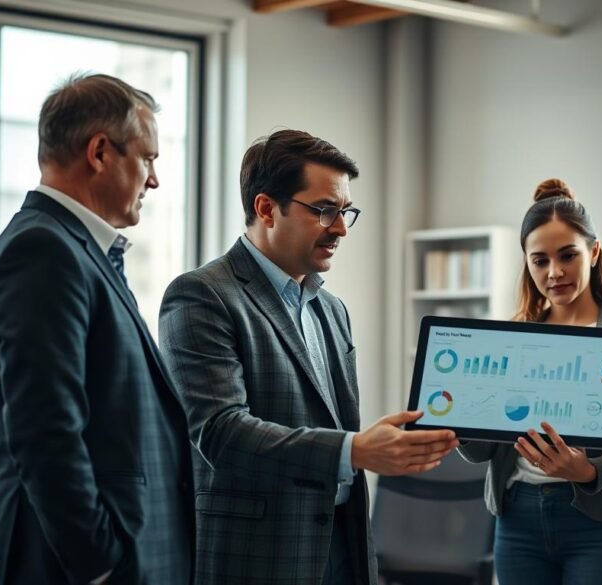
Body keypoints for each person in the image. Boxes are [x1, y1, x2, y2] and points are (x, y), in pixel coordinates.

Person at [159, 129, 459, 585]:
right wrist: (355, 450)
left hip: (341, 552)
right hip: (257, 560)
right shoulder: (202, 295)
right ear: (266, 209)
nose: (339, 228)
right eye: (323, 210)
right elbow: (221, 431)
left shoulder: (331, 310)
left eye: (345, 212)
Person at [0, 73, 194, 584]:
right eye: (147, 158)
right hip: (69, 565)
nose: (154, 180)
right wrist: (99, 562)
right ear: (99, 152)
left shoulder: (76, 249)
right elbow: (45, 429)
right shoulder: (44, 251)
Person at [459, 179, 602, 585]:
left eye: (568, 256)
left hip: (598, 521)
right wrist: (457, 415)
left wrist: (587, 471)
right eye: (540, 260)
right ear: (526, 262)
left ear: (593, 252)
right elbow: (482, 452)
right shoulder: (512, 338)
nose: (554, 272)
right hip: (517, 517)